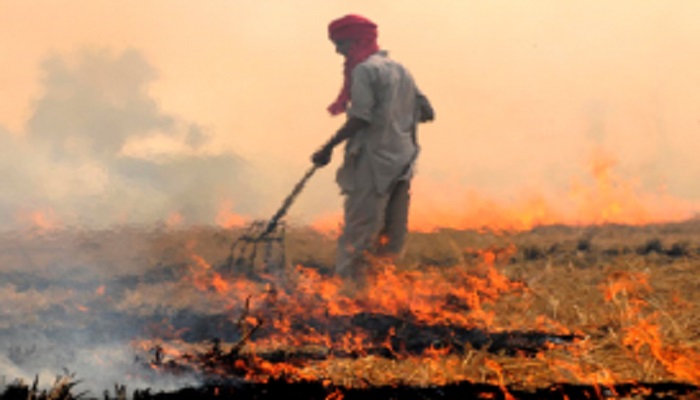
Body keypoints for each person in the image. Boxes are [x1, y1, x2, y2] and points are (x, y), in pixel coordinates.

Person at [312, 14, 434, 285]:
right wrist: (396, 116)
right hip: (403, 162)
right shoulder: (400, 70)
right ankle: (379, 292)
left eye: (341, 43)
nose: (338, 50)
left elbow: (360, 118)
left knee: (359, 231)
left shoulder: (365, 71)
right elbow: (427, 111)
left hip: (373, 161)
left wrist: (327, 148)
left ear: (357, 41)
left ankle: (349, 295)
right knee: (391, 235)